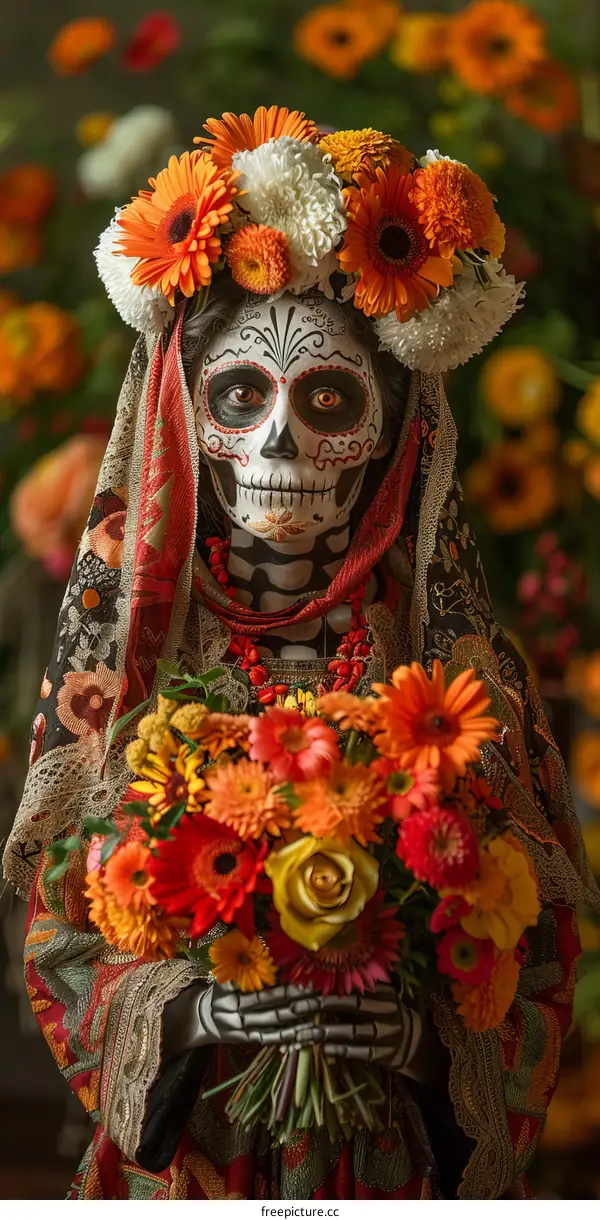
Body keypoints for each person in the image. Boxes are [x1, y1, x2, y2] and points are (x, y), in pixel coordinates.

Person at [3, 107, 597, 1200]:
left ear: (395, 434)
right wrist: (191, 1006)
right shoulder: (130, 667)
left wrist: (426, 1038)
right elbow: (57, 923)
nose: (280, 442)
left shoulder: (450, 679)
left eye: (328, 400)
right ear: (187, 421)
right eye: (241, 396)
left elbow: (543, 933)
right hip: (201, 1162)